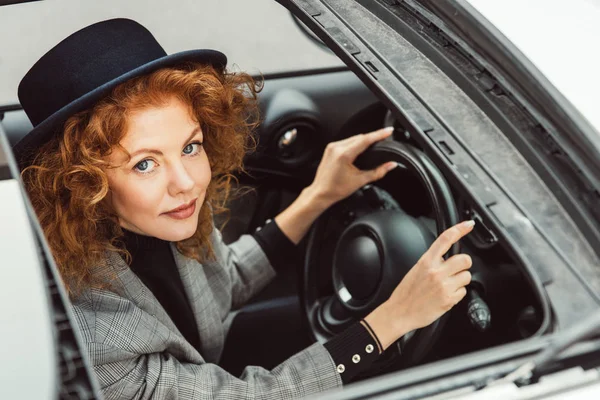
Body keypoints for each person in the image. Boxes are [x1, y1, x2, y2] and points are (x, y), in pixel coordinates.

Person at [14, 19, 474, 400]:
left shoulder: (161, 215)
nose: (188, 182)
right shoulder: (95, 341)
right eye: (145, 163)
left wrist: (320, 196)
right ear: (79, 182)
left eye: (191, 146)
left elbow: (222, 284)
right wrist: (392, 321)